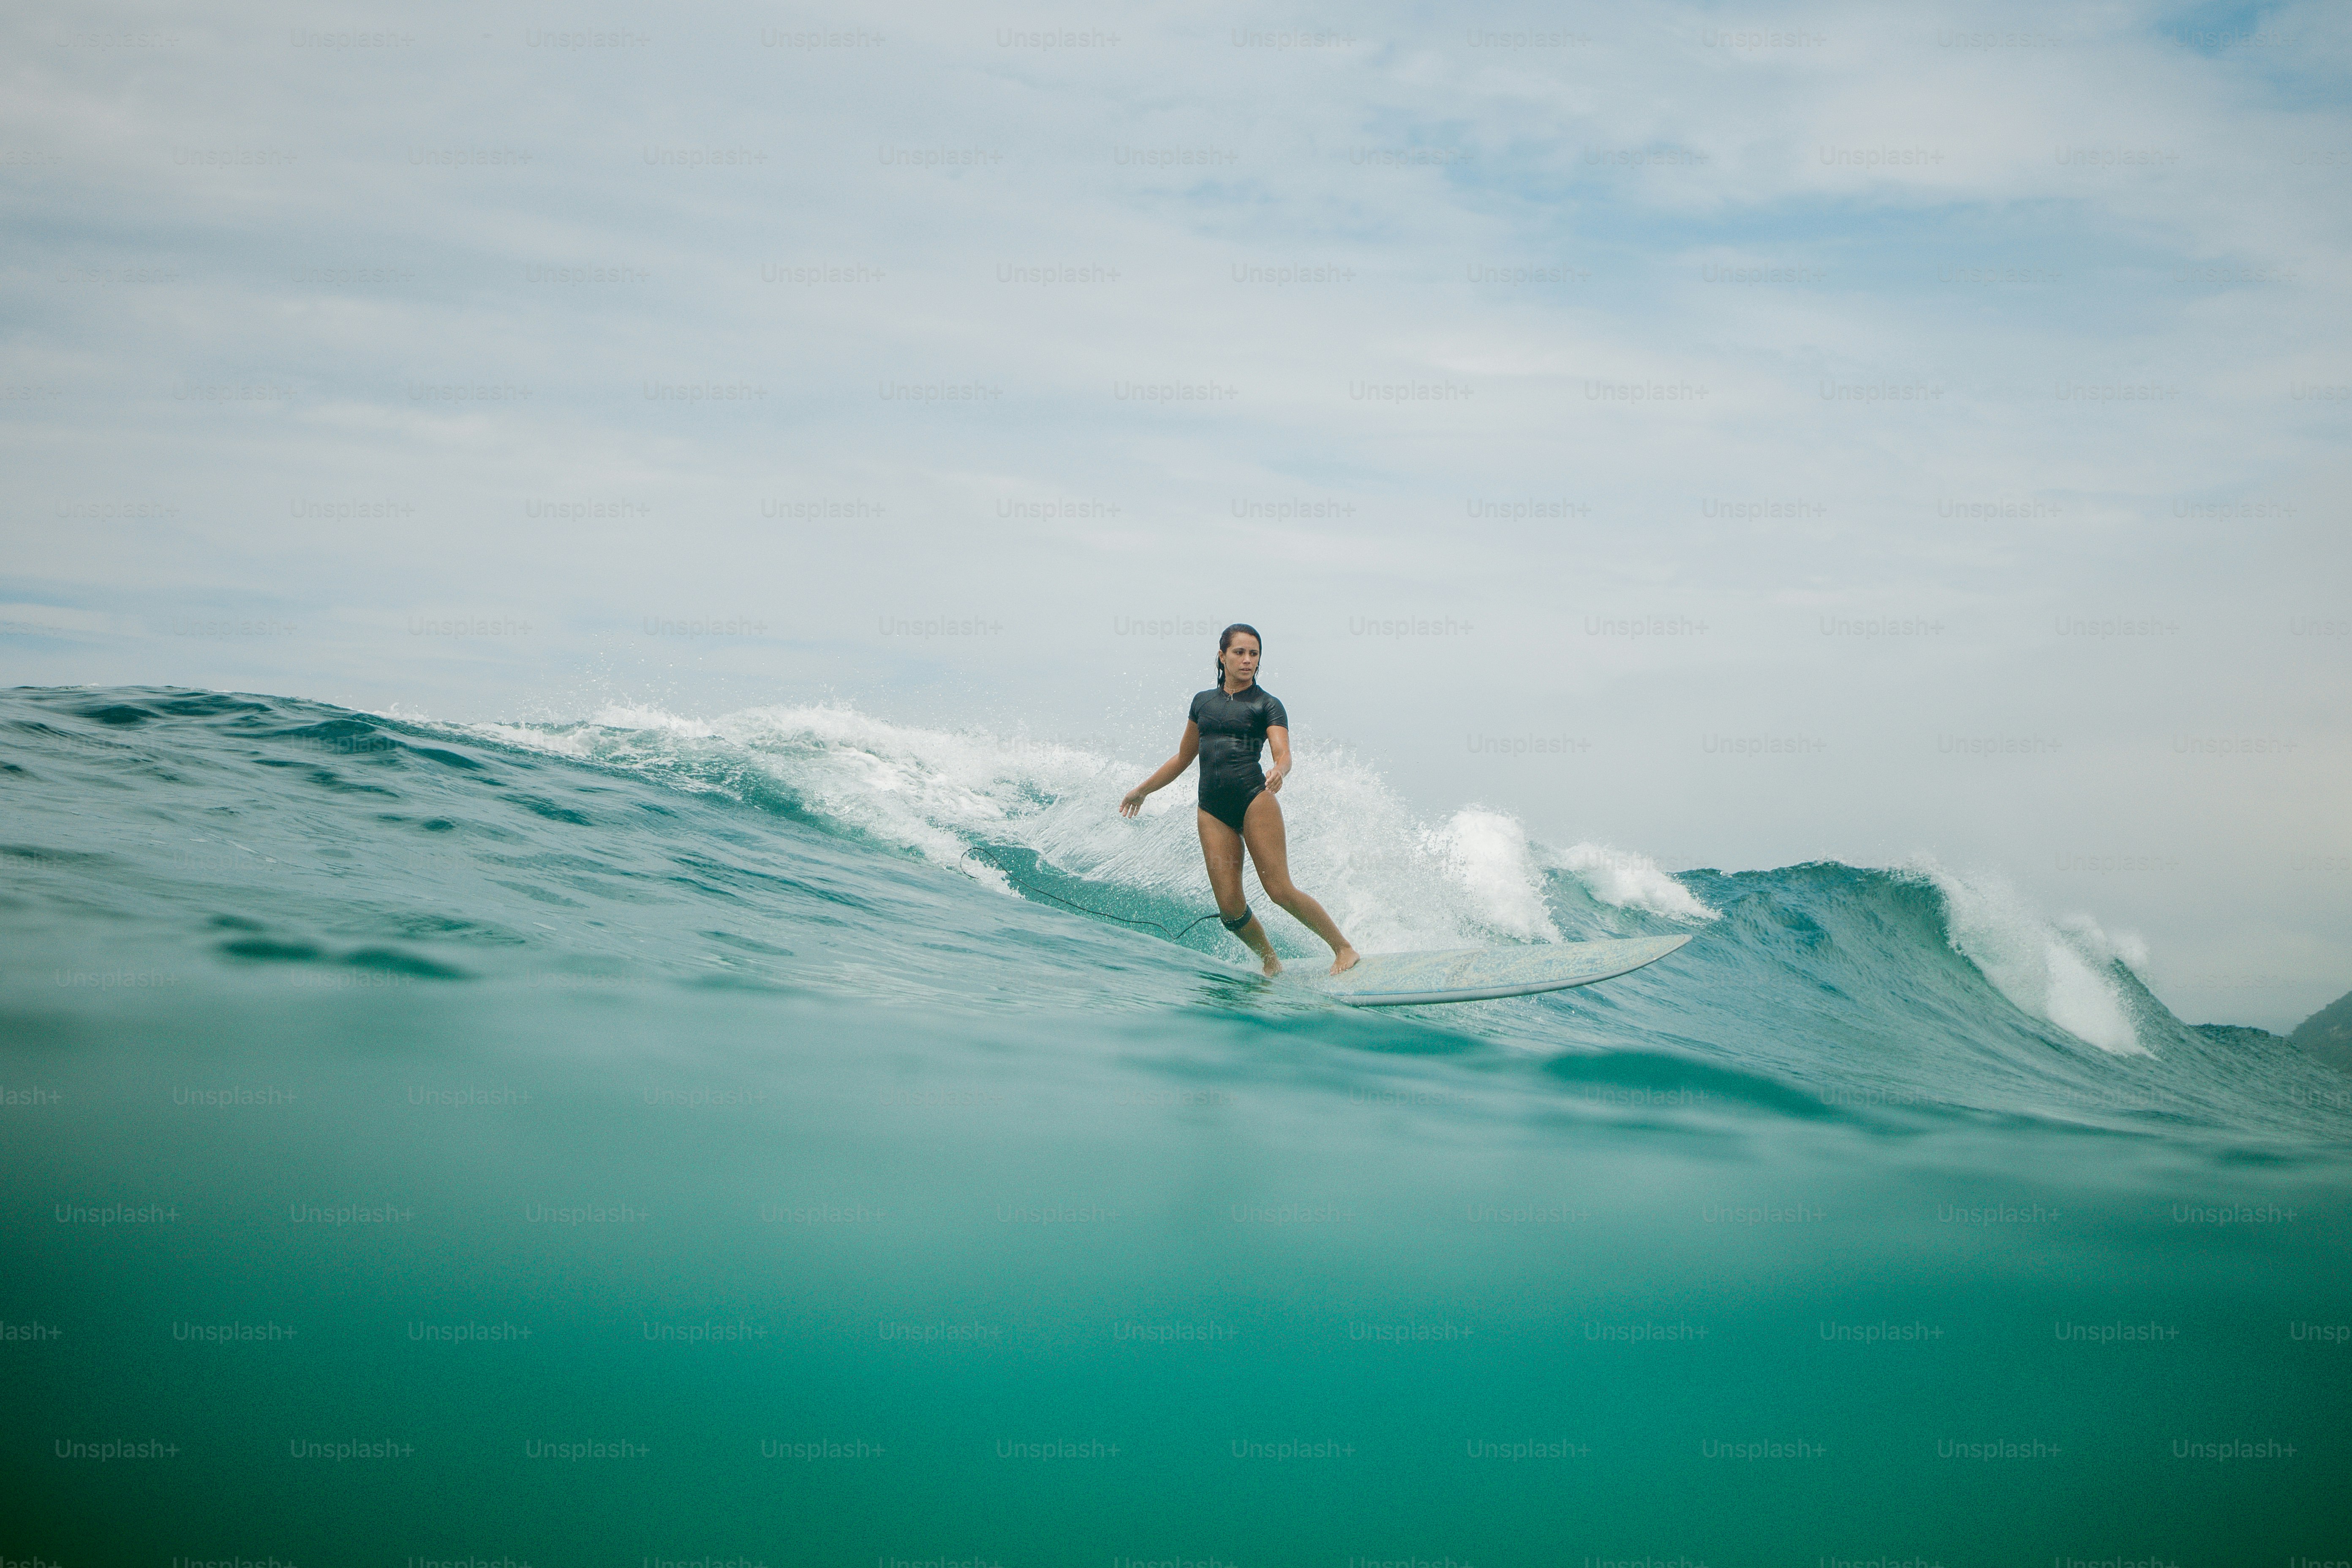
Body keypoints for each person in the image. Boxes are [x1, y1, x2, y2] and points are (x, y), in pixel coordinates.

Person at [1120, 623, 1360, 976]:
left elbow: (1284, 752)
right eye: (1240, 653)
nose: (1248, 660)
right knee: (1230, 909)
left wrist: (1280, 770)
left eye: (1254, 654)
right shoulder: (1202, 702)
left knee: (1279, 889)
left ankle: (1344, 948)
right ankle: (1270, 963)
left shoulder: (1267, 704)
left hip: (1254, 800)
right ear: (1222, 656)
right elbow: (1182, 759)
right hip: (1212, 809)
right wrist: (1142, 790)